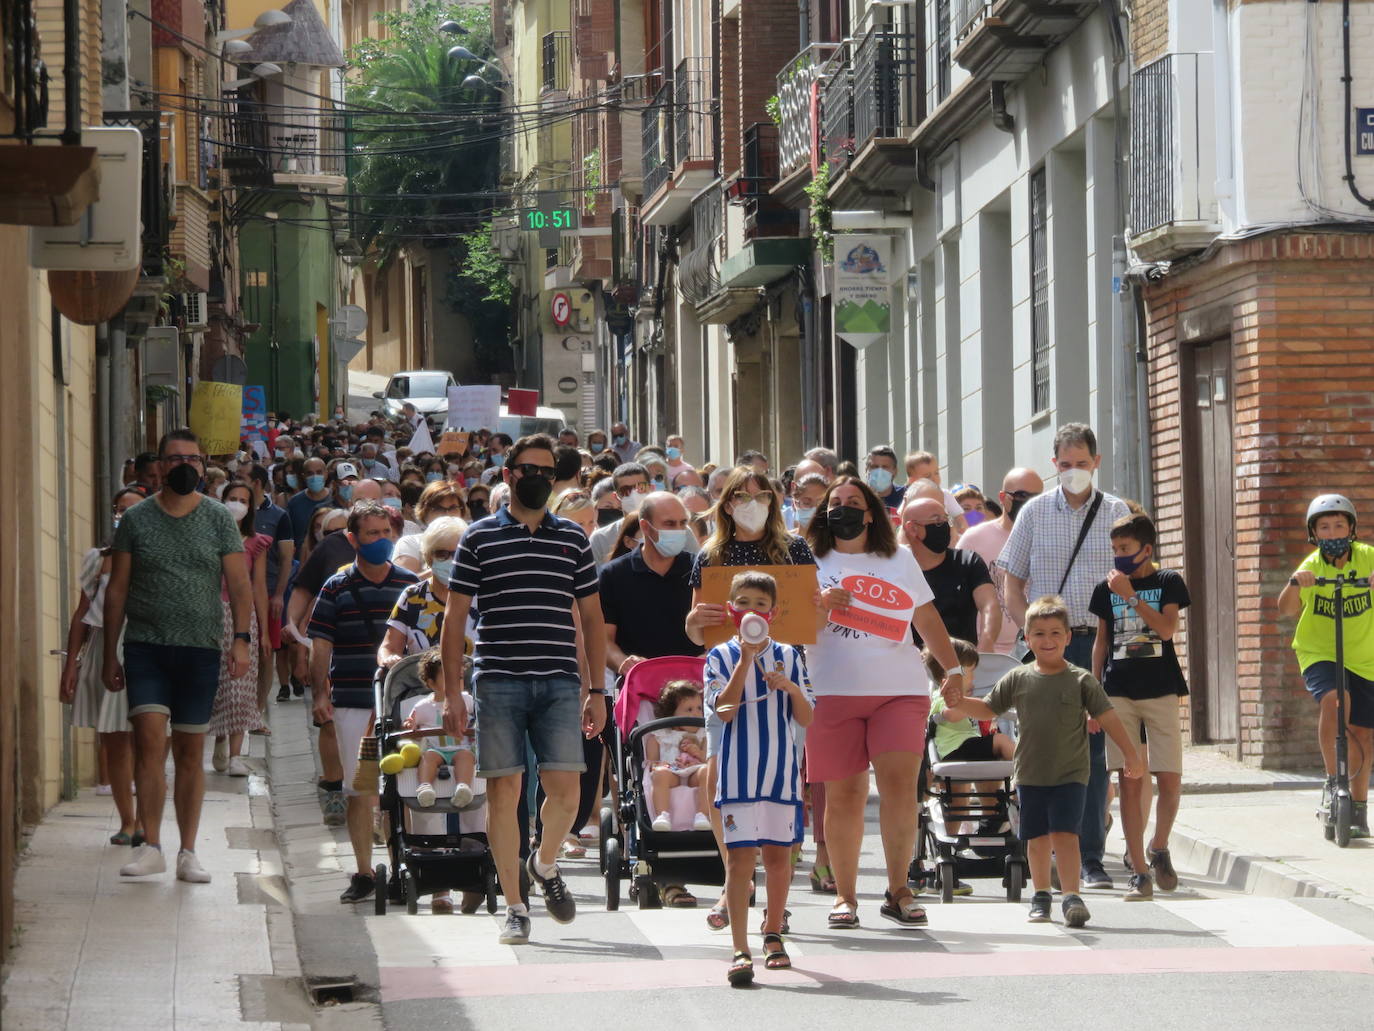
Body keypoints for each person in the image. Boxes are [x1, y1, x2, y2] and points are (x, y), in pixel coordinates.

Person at [438, 434, 608, 945]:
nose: (537, 478)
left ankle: (545, 861)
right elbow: (455, 617)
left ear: (555, 479)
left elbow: (593, 619)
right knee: (504, 793)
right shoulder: (479, 538)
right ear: (508, 474)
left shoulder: (573, 541)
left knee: (567, 793)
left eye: (546, 471)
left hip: (559, 679)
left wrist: (597, 689)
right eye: (527, 469)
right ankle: (514, 906)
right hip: (499, 680)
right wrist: (450, 693)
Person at [803, 475, 965, 929]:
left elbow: (925, 614)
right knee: (845, 794)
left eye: (853, 501)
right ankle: (846, 897)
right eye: (835, 502)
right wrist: (821, 607)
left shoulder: (898, 557)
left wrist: (951, 671)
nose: (843, 508)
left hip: (900, 689)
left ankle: (899, 890)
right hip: (832, 690)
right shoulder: (807, 558)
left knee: (899, 789)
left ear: (871, 512)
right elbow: (796, 629)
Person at [103, 429, 252, 883]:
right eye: (174, 458)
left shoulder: (218, 519)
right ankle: (151, 844)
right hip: (146, 646)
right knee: (149, 742)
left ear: (203, 465)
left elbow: (240, 582)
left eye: (192, 457)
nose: (184, 465)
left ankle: (188, 850)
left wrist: (241, 639)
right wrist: (110, 652)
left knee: (190, 751)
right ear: (160, 466)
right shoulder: (137, 520)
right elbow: (118, 589)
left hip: (200, 648)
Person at [942, 596, 1141, 927]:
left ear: (1068, 637)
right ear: (1026, 636)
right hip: (1031, 774)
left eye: (1054, 633)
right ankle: (1041, 895)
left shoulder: (1081, 680)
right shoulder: (1018, 678)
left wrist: (1130, 754)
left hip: (1072, 774)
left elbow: (1108, 717)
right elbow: (988, 708)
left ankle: (1072, 897)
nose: (1046, 641)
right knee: (1035, 839)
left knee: (1065, 835)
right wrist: (961, 702)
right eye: (1038, 634)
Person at [998, 422, 1130, 888]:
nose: (1074, 471)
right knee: (1041, 749)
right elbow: (1010, 581)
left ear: (1097, 462)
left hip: (1096, 642)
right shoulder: (1034, 512)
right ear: (1054, 466)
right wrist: (1029, 630)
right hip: (1048, 645)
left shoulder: (1117, 512)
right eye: (1066, 464)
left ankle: (1090, 858)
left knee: (1092, 751)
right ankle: (1046, 853)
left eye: (1082, 463)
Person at [685, 466, 814, 928]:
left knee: (782, 778)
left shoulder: (795, 549)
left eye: (762, 495)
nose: (752, 502)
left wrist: (827, 603)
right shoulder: (711, 553)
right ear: (726, 501)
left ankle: (775, 893)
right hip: (727, 670)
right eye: (742, 495)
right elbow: (695, 628)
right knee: (717, 776)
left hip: (781, 673)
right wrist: (696, 620)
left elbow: (808, 610)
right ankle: (734, 880)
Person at [308, 500, 419, 904]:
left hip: (401, 703)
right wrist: (320, 694)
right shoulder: (335, 587)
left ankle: (400, 868)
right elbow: (321, 645)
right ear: (353, 539)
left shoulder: (410, 585)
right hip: (353, 701)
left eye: (386, 533)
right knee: (361, 789)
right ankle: (363, 871)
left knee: (402, 788)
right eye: (372, 534)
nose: (380, 541)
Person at [706, 570, 813, 985]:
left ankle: (772, 932)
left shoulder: (790, 654)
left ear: (774, 611)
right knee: (739, 861)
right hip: (737, 773)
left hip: (780, 773)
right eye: (744, 603)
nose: (753, 611)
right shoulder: (719, 656)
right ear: (733, 609)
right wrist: (746, 660)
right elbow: (724, 711)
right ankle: (739, 947)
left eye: (761, 605)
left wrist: (790, 687)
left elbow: (807, 716)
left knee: (778, 857)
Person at [1089, 512, 1191, 897]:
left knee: (1169, 778)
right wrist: (1094, 690)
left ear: (1146, 550)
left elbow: (1166, 630)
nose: (1118, 556)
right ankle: (1138, 870)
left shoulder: (1168, 582)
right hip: (1118, 691)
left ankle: (1158, 845)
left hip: (1162, 687)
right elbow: (1102, 639)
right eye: (1114, 549)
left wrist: (1130, 595)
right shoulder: (1105, 588)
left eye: (1125, 549)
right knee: (1129, 779)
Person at [1278, 493, 1374, 839]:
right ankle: (1335, 780)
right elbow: (1286, 609)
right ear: (1314, 534)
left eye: (1338, 524)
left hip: (1365, 657)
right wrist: (1295, 583)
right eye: (1324, 527)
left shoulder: (1367, 559)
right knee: (1336, 699)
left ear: (1351, 528)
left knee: (1363, 731)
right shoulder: (1312, 565)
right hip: (1320, 650)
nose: (1332, 532)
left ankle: (1359, 809)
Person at [59, 488, 146, 844]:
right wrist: (71, 664)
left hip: (144, 646)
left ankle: (146, 819)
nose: (123, 516)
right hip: (104, 646)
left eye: (132, 511)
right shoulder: (98, 559)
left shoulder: (157, 556)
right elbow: (82, 613)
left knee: (150, 738)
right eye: (119, 510)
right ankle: (128, 822)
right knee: (113, 739)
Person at [208, 483, 273, 777]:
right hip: (211, 614)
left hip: (242, 617)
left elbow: (258, 586)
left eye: (243, 500)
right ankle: (219, 738)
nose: (237, 504)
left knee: (240, 685)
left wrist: (263, 631)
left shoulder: (256, 543)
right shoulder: (208, 536)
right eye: (232, 499)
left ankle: (236, 753)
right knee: (218, 685)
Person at [923, 640, 1013, 844]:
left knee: (957, 802)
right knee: (1001, 741)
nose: (974, 678)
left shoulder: (964, 700)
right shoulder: (942, 697)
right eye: (970, 672)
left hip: (965, 751)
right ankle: (1028, 770)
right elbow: (950, 715)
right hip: (956, 750)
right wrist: (968, 706)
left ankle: (953, 839)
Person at [958, 468, 1044, 655]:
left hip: (1034, 650)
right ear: (1003, 497)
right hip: (982, 651)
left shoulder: (1048, 540)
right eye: (1021, 495)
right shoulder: (974, 539)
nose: (1029, 502)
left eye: (1036, 497)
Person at [901, 495, 1000, 651]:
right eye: (937, 521)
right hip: (914, 666)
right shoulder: (898, 568)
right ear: (912, 529)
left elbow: (989, 605)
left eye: (946, 519)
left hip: (965, 663)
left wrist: (986, 644)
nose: (945, 525)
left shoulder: (967, 562)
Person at [397, 650, 477, 811]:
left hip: (461, 747)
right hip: (435, 749)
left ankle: (463, 787)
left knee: (466, 758)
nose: (456, 683)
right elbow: (410, 723)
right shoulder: (423, 706)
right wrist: (409, 724)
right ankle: (425, 786)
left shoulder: (467, 700)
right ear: (431, 683)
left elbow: (479, 715)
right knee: (427, 758)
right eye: (449, 679)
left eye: (459, 678)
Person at [646, 680, 711, 832]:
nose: (696, 714)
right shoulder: (660, 735)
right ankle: (662, 815)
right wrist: (661, 766)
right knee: (659, 775)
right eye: (689, 709)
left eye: (699, 708)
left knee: (708, 772)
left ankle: (703, 814)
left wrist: (699, 753)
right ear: (671, 714)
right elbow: (651, 764)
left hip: (695, 771)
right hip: (671, 772)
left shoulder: (704, 734)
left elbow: (709, 759)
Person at [393, 480, 466, 574]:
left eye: (452, 508)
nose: (446, 514)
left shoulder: (471, 544)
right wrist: (441, 571)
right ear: (425, 512)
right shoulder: (410, 543)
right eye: (438, 509)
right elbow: (405, 583)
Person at [589, 462, 650, 566]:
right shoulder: (600, 539)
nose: (634, 494)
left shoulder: (675, 530)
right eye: (626, 490)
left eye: (641, 487)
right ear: (616, 496)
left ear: (650, 488)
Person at [286, 456, 334, 548]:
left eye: (319, 472)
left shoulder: (335, 498)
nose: (315, 476)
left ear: (326, 474)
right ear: (304, 476)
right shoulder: (295, 502)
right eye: (310, 473)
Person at [864, 445, 905, 512]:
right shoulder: (858, 498)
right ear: (866, 470)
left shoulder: (905, 497)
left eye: (885, 467)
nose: (880, 472)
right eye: (875, 466)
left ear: (895, 471)